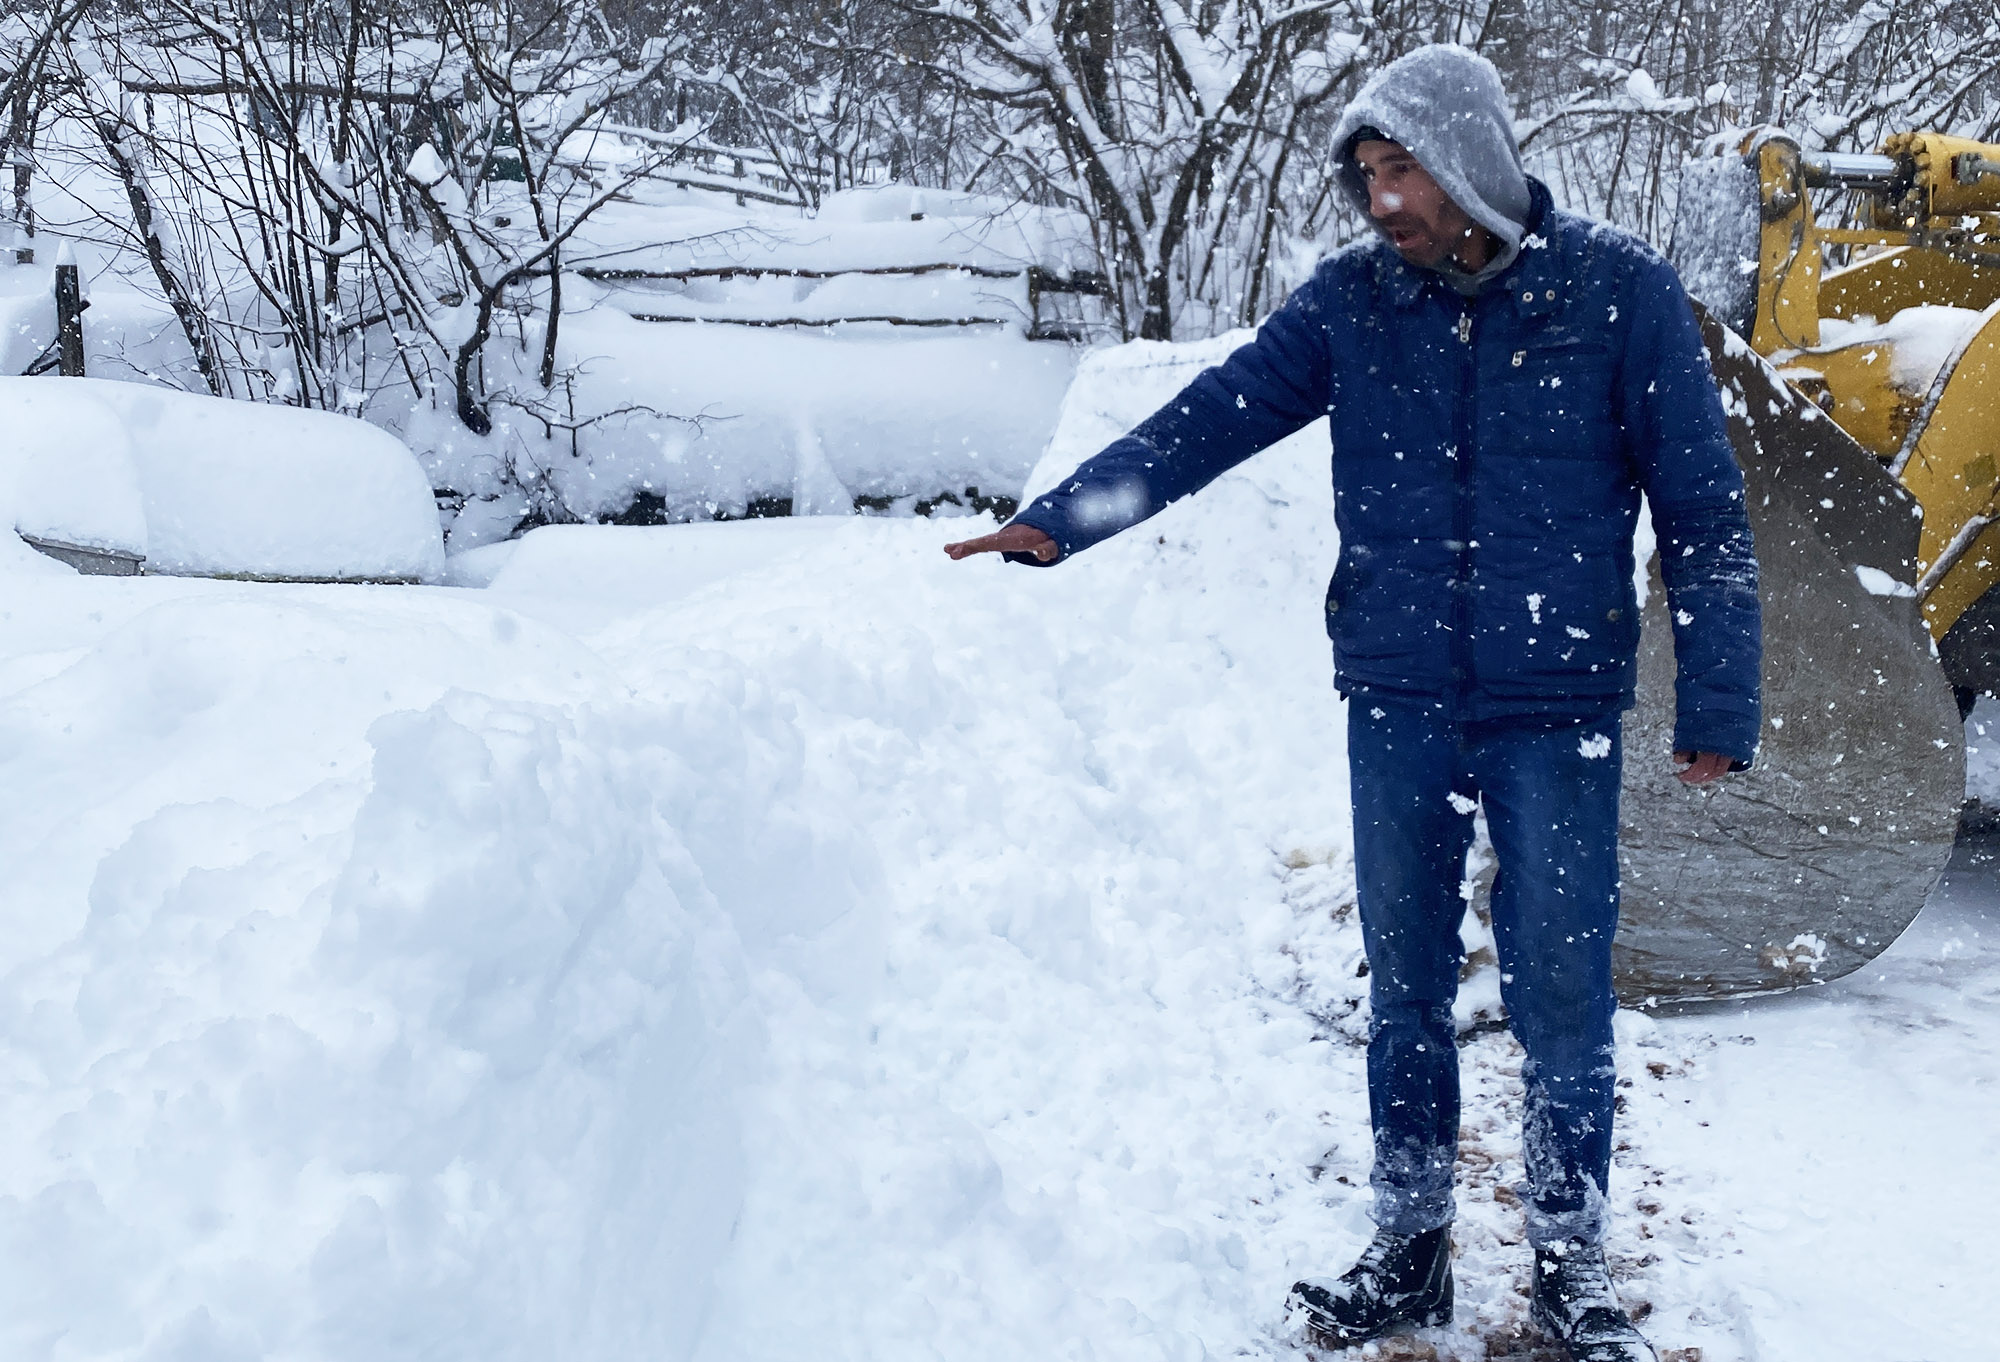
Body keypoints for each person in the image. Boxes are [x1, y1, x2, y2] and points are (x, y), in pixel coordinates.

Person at [943, 42, 1760, 1362]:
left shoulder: (1621, 295)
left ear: (1475, 163)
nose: (1385, 202)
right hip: (1398, 698)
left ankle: (1568, 1260)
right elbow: (1213, 417)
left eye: (1405, 173)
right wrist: (1063, 520)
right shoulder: (1354, 305)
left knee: (1561, 990)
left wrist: (1719, 697)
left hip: (1560, 704)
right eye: (1371, 176)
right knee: (1407, 986)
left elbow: (1705, 506)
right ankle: (1409, 1241)